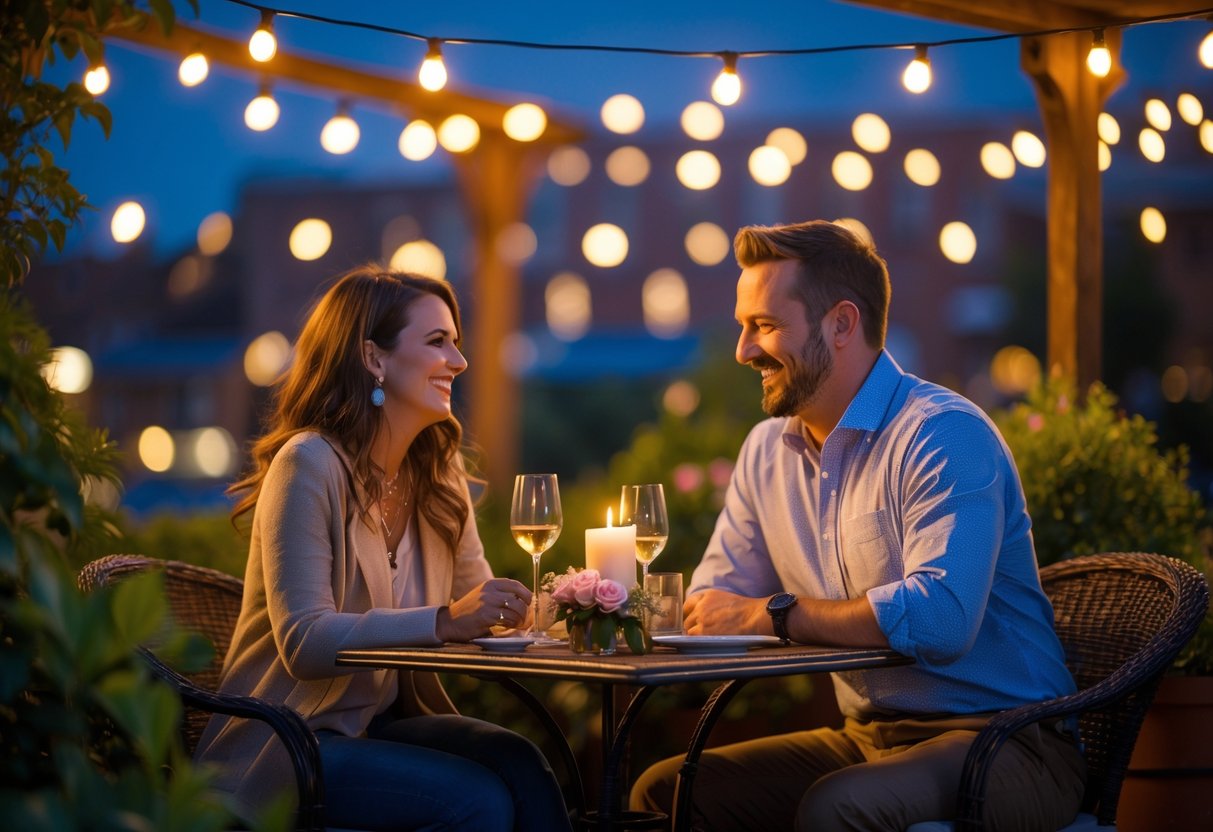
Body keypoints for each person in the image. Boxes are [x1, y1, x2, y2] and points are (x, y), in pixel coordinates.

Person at [630, 221, 1085, 831]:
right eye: (743, 326)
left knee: (838, 807)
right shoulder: (766, 453)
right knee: (666, 793)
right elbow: (719, 610)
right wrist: (602, 608)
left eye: (763, 325)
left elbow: (942, 618)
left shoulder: (943, 433)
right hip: (870, 737)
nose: (743, 350)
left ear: (841, 324)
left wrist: (774, 614)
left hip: (1006, 739)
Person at [195, 265, 573, 832]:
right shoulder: (309, 464)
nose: (459, 361)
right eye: (437, 342)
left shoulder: (438, 479)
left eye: (457, 342)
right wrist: (445, 621)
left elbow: (485, 615)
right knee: (475, 801)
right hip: (289, 739)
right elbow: (305, 641)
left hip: (379, 721)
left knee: (523, 765)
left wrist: (577, 605)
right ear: (373, 358)